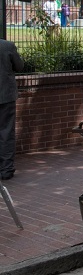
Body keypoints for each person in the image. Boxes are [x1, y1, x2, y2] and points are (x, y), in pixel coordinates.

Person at [0, 39, 24, 180]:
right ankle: (6, 169)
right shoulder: (8, 46)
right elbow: (19, 66)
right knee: (7, 132)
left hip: (6, 95)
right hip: (6, 96)